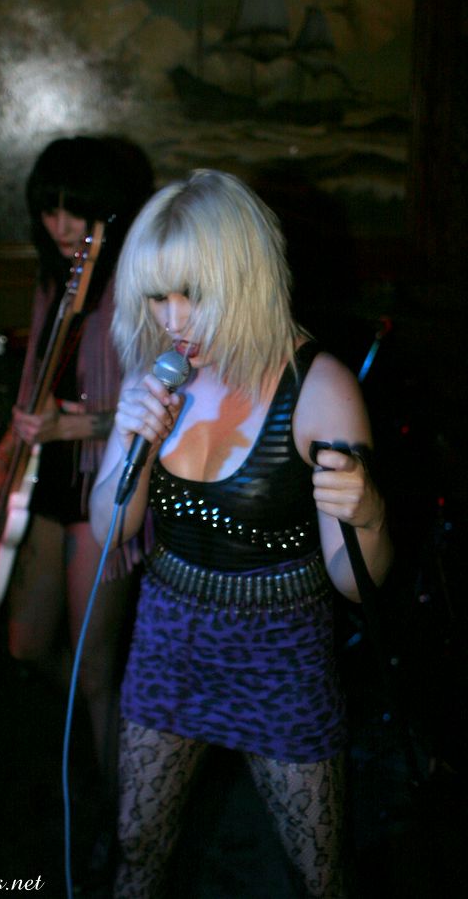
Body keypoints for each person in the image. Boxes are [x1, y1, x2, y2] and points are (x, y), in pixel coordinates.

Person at [89, 168, 394, 897]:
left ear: (245, 275)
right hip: (168, 637)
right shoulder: (158, 375)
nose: (173, 320)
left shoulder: (320, 387)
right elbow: (109, 532)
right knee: (137, 847)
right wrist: (132, 445)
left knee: (319, 871)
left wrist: (370, 516)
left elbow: (358, 582)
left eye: (192, 294)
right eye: (157, 296)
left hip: (282, 653)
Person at [0, 136, 154, 844]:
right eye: (47, 210)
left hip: (105, 483)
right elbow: (32, 390)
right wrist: (1, 462)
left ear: (106, 209)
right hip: (44, 480)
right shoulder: (54, 277)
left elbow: (163, 408)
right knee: (25, 644)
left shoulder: (139, 285)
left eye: (73, 210)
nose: (60, 225)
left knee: (95, 668)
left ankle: (124, 820)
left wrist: (73, 426)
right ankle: (112, 764)